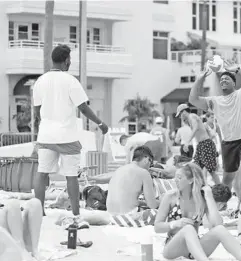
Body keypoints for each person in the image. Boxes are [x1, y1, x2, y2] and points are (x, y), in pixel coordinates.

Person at [33, 45, 108, 226]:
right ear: (66, 60)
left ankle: (39, 211)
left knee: (42, 173)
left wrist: (46, 124)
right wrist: (100, 123)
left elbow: (36, 110)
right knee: (71, 175)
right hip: (66, 135)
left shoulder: (40, 81)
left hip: (46, 136)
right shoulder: (70, 81)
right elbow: (83, 107)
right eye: (70, 60)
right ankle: (76, 214)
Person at [189, 61, 241, 211]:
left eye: (227, 79)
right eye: (221, 79)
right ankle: (220, 206)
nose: (223, 80)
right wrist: (200, 78)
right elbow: (193, 100)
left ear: (234, 83)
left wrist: (238, 70)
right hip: (228, 143)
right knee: (227, 180)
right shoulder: (215, 101)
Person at [154, 163, 241, 261]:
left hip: (195, 249)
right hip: (173, 248)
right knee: (188, 228)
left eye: (179, 178)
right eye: (175, 177)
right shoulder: (171, 197)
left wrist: (209, 196)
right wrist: (175, 224)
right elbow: (157, 227)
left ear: (191, 180)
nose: (175, 180)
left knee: (220, 230)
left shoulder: (201, 199)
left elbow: (217, 224)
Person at [106, 146, 159, 215]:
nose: (149, 167)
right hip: (128, 215)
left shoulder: (119, 169)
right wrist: (162, 202)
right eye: (151, 163)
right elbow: (152, 205)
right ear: (146, 158)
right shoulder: (144, 173)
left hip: (111, 214)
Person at [176, 103, 220, 185]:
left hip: (206, 144)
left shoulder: (191, 116)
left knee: (211, 170)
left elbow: (196, 128)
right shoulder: (190, 119)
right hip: (202, 145)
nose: (180, 117)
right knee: (196, 167)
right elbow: (201, 130)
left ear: (184, 112)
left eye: (180, 115)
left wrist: (187, 142)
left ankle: (221, 188)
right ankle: (202, 186)